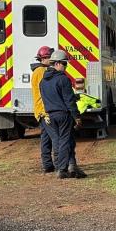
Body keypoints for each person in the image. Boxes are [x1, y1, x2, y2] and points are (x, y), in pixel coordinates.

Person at [40, 50, 87, 179]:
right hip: (63, 115)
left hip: (50, 115)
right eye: (64, 64)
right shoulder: (63, 79)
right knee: (66, 141)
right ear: (57, 64)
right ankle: (62, 169)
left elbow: (45, 99)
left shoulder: (43, 81)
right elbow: (69, 100)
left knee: (59, 142)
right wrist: (76, 116)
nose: (66, 67)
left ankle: (69, 167)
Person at [31, 46, 57, 173]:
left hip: (41, 110)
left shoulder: (38, 71)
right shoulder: (41, 71)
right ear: (44, 58)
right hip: (45, 110)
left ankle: (48, 165)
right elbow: (47, 90)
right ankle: (60, 164)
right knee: (56, 137)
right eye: (50, 57)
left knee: (46, 138)